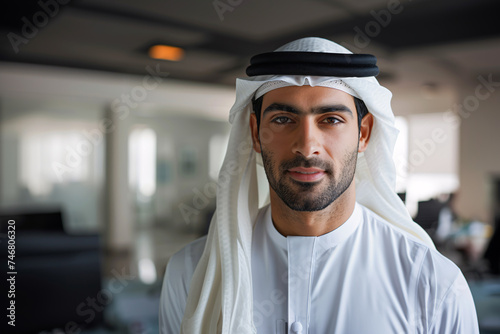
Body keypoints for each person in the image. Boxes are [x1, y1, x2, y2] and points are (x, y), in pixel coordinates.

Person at [159, 37, 479, 334]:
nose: (307, 145)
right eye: (283, 119)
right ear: (256, 134)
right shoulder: (191, 274)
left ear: (363, 133)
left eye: (331, 119)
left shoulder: (434, 284)